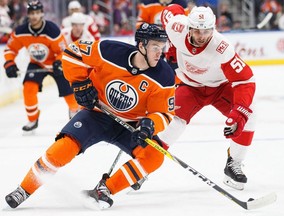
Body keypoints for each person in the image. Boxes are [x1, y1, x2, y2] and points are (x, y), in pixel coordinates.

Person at [5, 23, 175, 209]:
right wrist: (80, 84)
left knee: (154, 156)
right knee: (63, 148)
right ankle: (24, 189)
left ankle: (105, 189)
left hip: (130, 125)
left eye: (162, 46)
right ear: (141, 46)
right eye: (155, 47)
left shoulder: (164, 75)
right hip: (97, 114)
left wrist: (150, 125)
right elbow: (73, 52)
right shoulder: (109, 50)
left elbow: (164, 113)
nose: (160, 52)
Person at [159, 4, 256, 190]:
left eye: (206, 31)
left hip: (219, 87)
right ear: (188, 28)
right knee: (173, 123)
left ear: (214, 28)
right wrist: (171, 46)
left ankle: (234, 163)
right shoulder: (176, 27)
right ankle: (144, 165)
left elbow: (245, 80)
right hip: (190, 86)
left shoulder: (222, 47)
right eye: (197, 31)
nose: (202, 36)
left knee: (249, 116)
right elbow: (170, 9)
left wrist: (240, 112)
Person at [3, 0, 79, 132]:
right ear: (28, 14)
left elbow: (62, 51)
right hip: (36, 63)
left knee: (68, 91)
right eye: (32, 13)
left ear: (42, 13)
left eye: (37, 13)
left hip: (56, 64)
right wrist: (9, 63)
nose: (34, 16)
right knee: (28, 88)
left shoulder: (52, 30)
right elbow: (10, 49)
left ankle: (74, 111)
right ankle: (33, 119)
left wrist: (59, 62)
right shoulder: (21, 31)